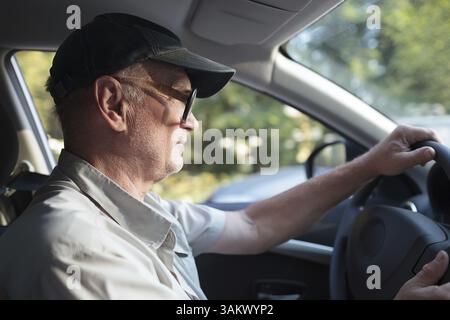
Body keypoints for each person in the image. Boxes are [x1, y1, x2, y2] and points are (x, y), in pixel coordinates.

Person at [0, 13, 448, 300]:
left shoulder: (132, 208)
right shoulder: (74, 247)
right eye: (181, 98)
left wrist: (370, 164)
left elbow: (251, 226)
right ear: (114, 105)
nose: (191, 122)